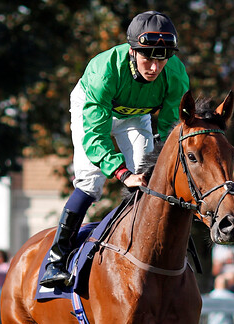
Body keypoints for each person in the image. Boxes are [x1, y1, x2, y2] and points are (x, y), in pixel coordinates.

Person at [40, 11, 190, 289]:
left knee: (151, 177)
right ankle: (55, 260)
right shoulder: (104, 70)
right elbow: (96, 137)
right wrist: (121, 173)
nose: (155, 67)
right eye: (148, 56)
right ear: (132, 51)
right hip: (95, 108)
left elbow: (170, 131)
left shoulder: (176, 74)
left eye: (162, 57)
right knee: (90, 182)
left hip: (134, 117)